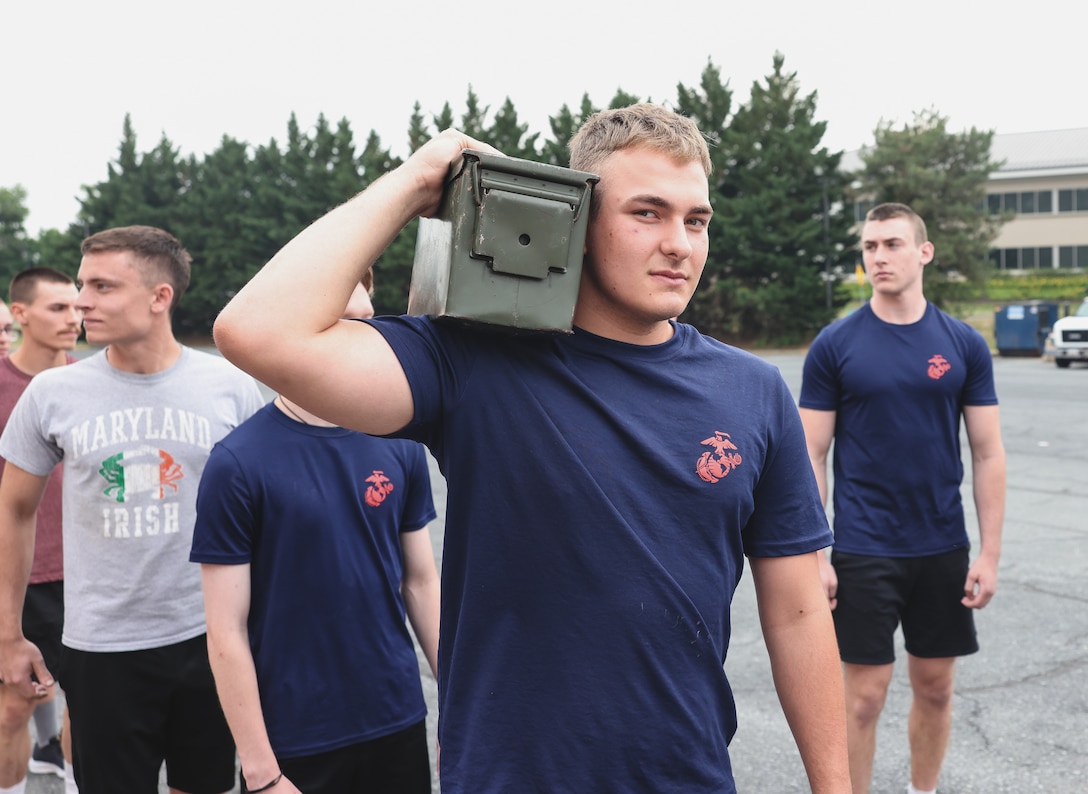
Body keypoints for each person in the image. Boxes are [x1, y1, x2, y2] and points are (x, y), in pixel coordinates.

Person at [211, 103, 851, 794]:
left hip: (686, 777)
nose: (679, 244)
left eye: (695, 220)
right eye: (647, 213)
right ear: (575, 223)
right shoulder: (472, 362)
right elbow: (256, 332)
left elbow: (797, 611)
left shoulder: (752, 391)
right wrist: (417, 180)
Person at [0, 226, 264, 794]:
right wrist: (7, 633)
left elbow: (262, 515)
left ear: (159, 296)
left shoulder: (230, 387)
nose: (82, 301)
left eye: (101, 286)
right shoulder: (52, 394)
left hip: (210, 637)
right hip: (102, 648)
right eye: (80, 285)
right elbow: (14, 512)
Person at [191, 272, 441, 794]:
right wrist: (261, 773)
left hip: (395, 716)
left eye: (368, 324)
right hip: (295, 736)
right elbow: (226, 631)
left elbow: (421, 583)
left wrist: (459, 706)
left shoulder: (400, 441)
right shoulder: (237, 463)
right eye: (338, 325)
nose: (362, 340)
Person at [797, 202, 1006, 794]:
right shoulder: (835, 346)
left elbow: (989, 452)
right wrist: (817, 556)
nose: (879, 257)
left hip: (942, 543)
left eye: (891, 244)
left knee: (936, 688)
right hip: (864, 546)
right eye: (869, 247)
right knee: (862, 698)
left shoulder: (962, 344)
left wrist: (989, 554)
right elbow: (810, 454)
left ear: (923, 252)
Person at [0, 270, 81, 794]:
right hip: (19, 576)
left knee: (90, 705)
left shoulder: (91, 383)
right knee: (14, 706)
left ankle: (74, 781)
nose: (74, 318)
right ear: (21, 313)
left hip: (86, 572)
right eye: (58, 308)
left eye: (77, 307)